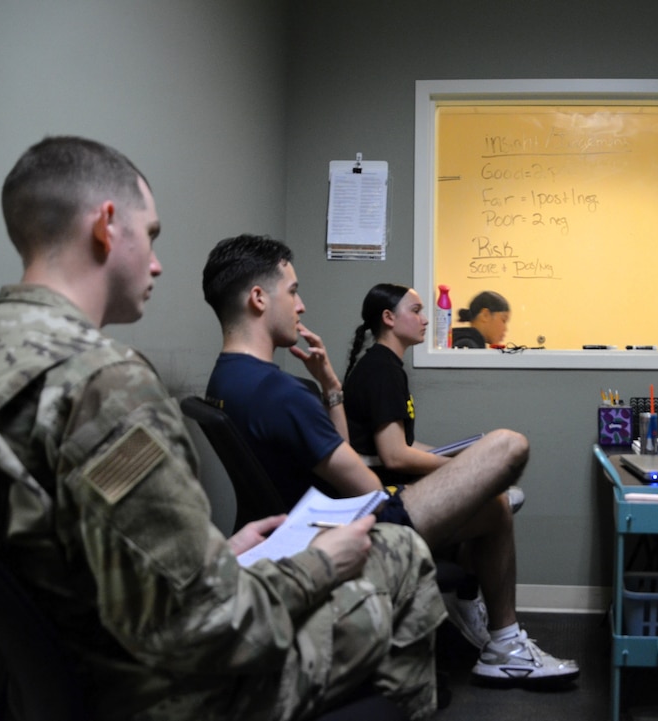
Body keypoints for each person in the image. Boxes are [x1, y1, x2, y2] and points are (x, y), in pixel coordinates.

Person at [0, 137, 446, 720]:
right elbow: (212, 623)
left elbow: (78, 547)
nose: (156, 262)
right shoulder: (103, 383)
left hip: (58, 675)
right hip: (165, 689)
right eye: (150, 235)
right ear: (106, 225)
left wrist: (219, 550)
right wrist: (323, 561)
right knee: (398, 550)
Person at [202, 241, 578, 686]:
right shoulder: (277, 393)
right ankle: (503, 646)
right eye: (293, 291)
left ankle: (492, 635)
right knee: (506, 447)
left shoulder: (228, 377)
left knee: (491, 502)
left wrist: (330, 387)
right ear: (259, 299)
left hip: (320, 514)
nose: (301, 305)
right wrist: (457, 480)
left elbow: (335, 450)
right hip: (363, 523)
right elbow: (369, 490)